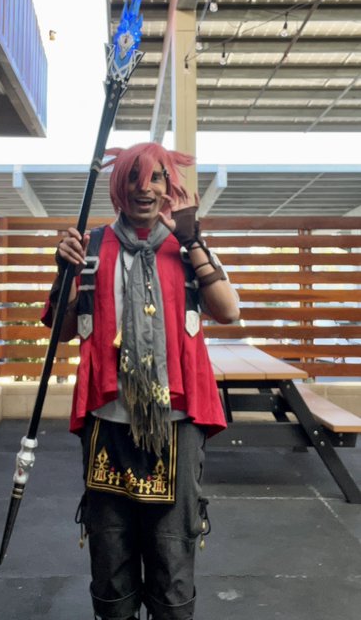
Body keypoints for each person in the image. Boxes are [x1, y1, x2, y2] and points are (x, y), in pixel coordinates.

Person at [43, 142, 240, 620]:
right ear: (118, 186)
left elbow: (228, 311)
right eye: (133, 177)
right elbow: (62, 330)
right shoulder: (91, 247)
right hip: (107, 421)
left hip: (176, 421)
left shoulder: (186, 248)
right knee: (110, 546)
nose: (143, 188)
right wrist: (65, 271)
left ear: (168, 187)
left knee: (172, 547)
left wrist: (193, 243)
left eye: (154, 178)